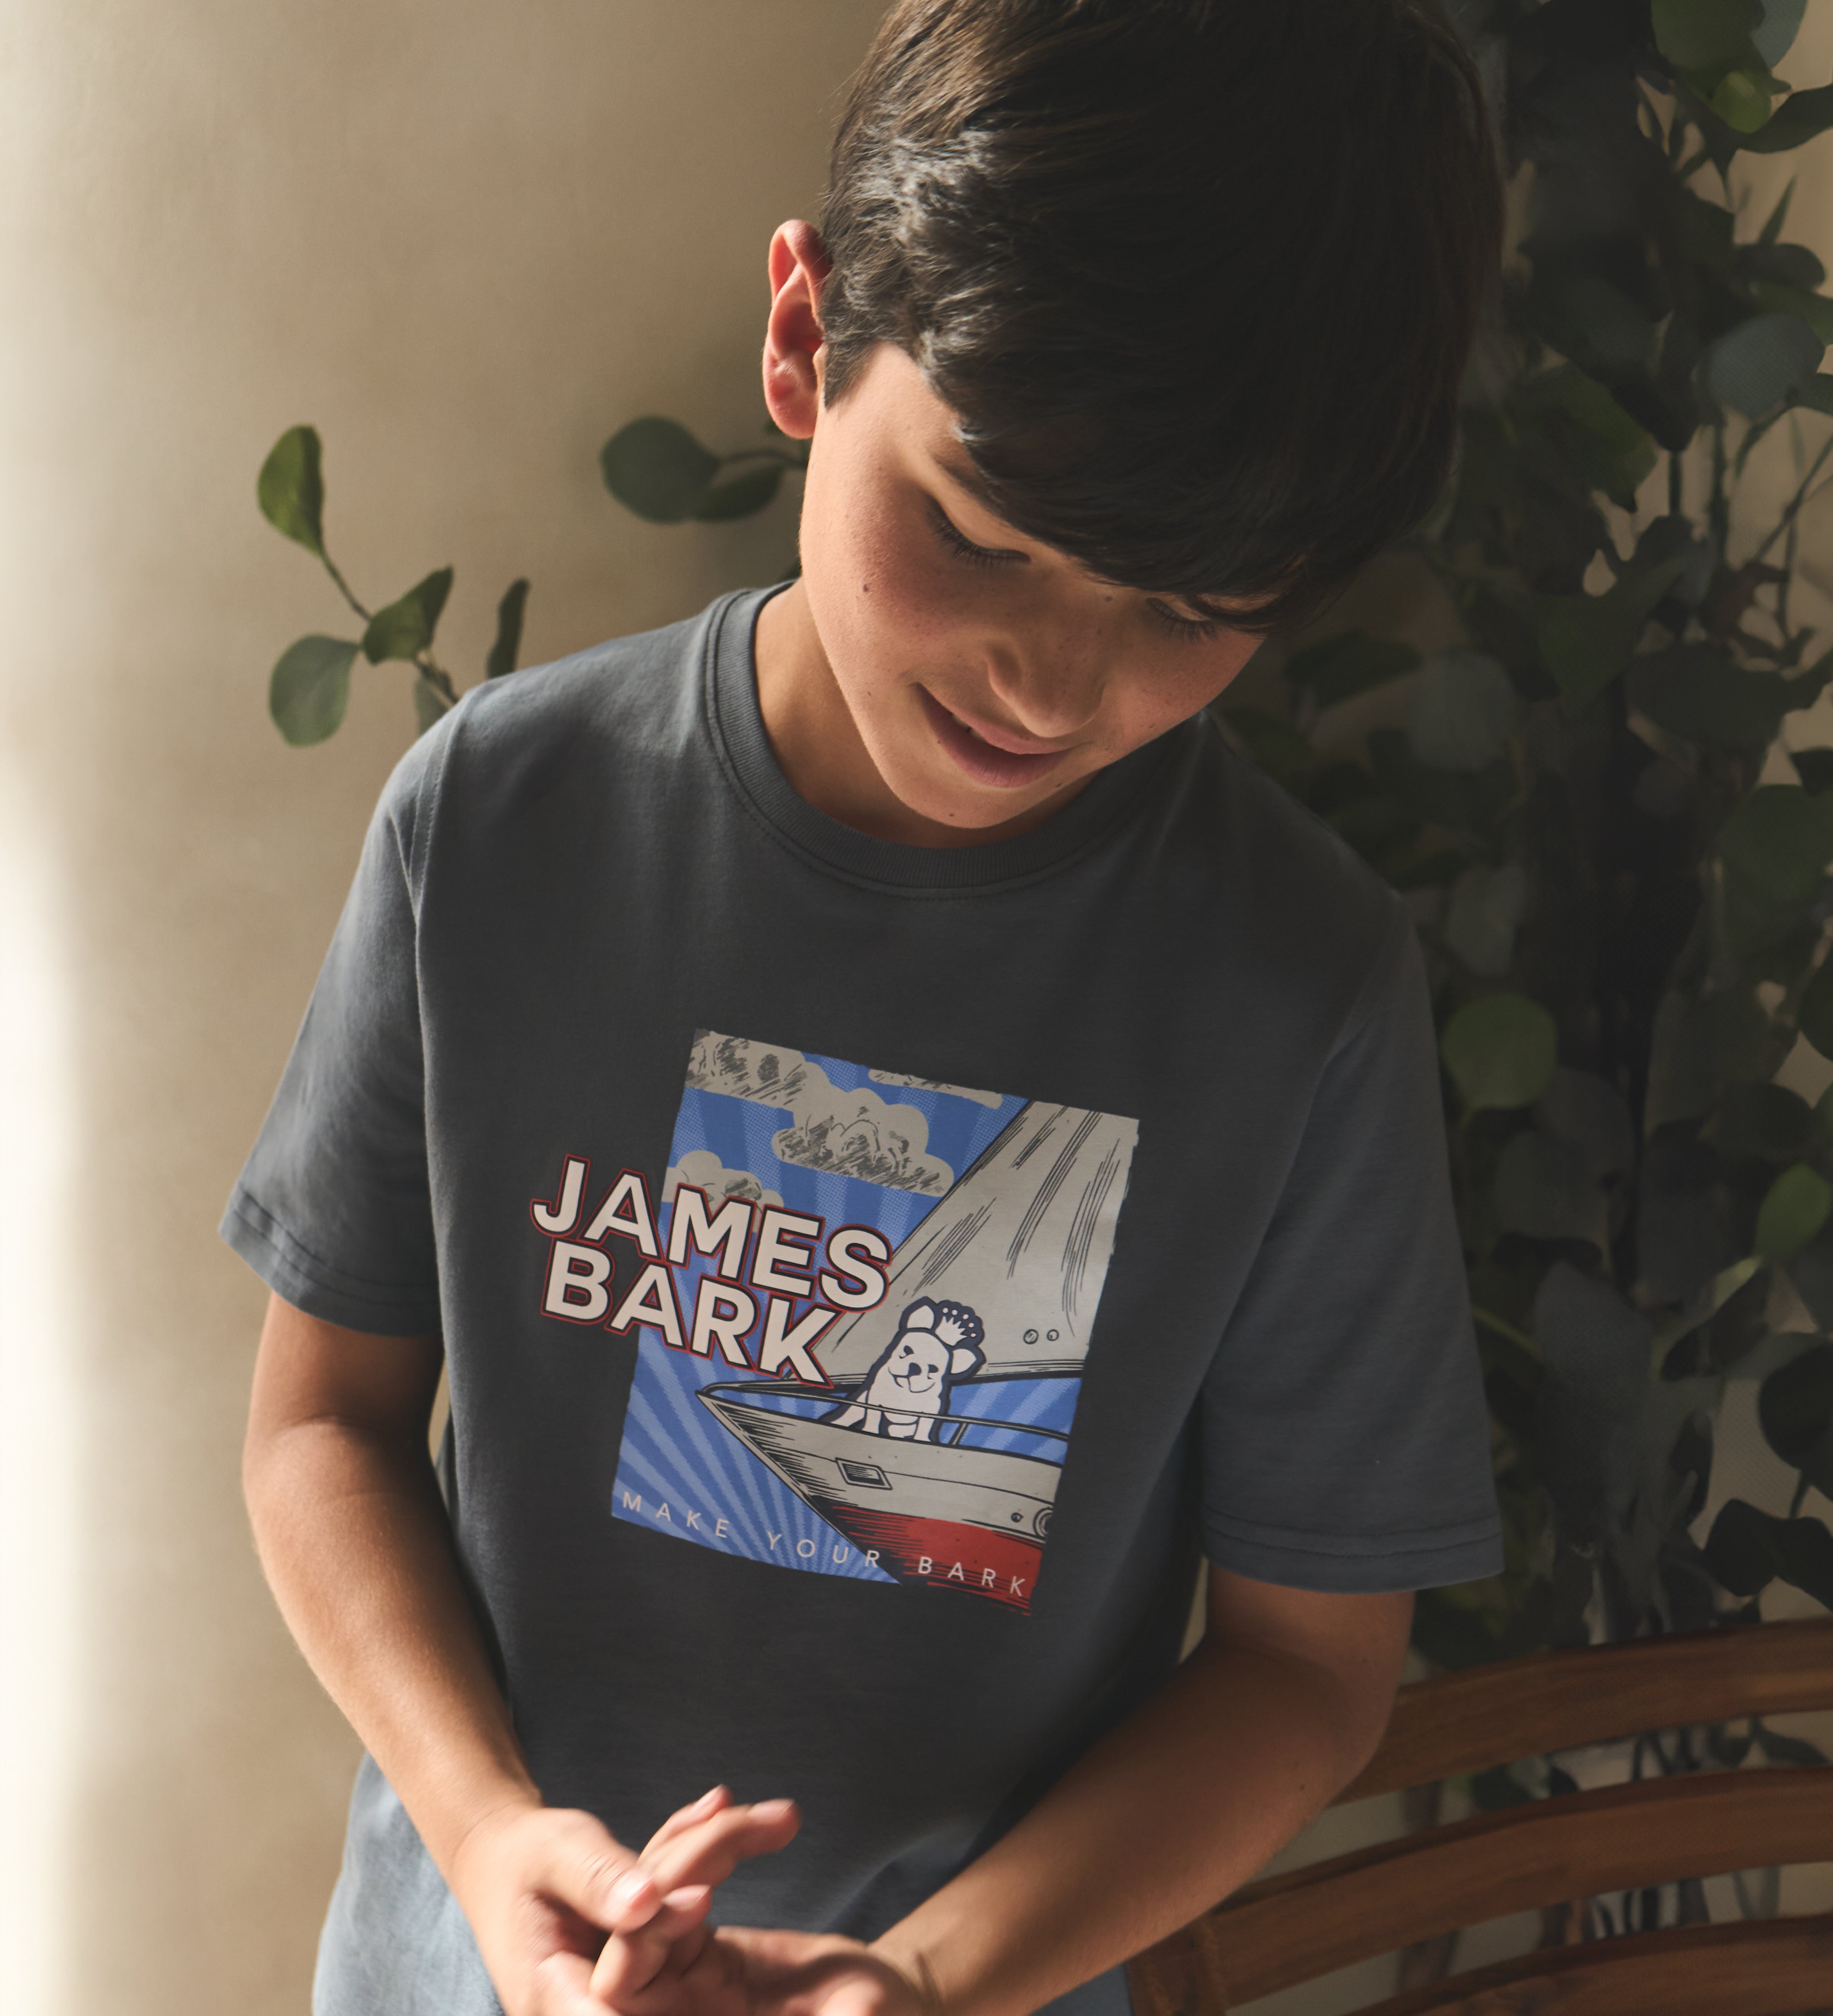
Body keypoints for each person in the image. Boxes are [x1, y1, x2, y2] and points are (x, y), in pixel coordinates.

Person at [227, 4, 1507, 2014]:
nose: (1052, 682)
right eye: (981, 534)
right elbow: (322, 1425)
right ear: (808, 339)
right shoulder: (502, 822)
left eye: (1190, 612)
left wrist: (918, 1980)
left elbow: (1306, 1667)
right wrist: (487, 1834)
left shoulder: (1296, 992)